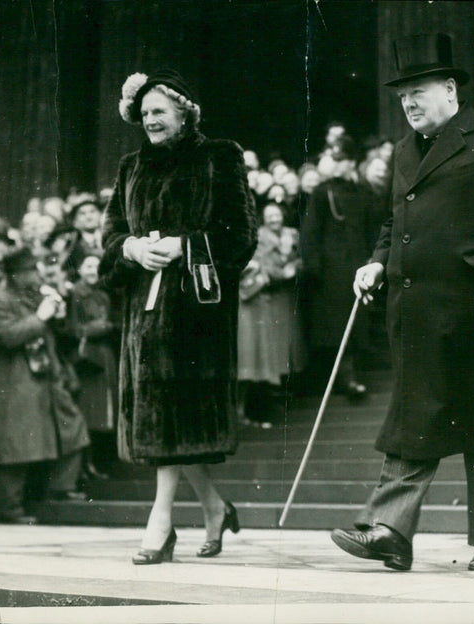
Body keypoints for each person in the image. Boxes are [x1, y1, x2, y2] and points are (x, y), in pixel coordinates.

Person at [331, 33, 474, 572]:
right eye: (402, 96)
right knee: (413, 418)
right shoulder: (404, 150)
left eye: (418, 92)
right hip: (418, 311)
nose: (408, 104)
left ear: (450, 89)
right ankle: (391, 531)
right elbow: (395, 222)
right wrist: (376, 261)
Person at [99, 69, 257, 564]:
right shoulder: (130, 167)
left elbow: (240, 236)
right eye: (144, 113)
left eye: (159, 112)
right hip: (143, 313)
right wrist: (130, 249)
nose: (150, 120)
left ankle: (161, 523)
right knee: (169, 422)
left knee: (171, 416)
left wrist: (184, 246)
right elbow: (110, 234)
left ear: (184, 113)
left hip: (196, 312)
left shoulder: (220, 156)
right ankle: (215, 508)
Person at [0, 247, 90, 523]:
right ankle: (8, 507)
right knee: (14, 446)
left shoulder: (34, 293)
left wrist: (59, 313)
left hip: (46, 377)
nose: (36, 276)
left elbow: (60, 332)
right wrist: (41, 317)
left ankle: (61, 487)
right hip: (13, 381)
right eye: (30, 271)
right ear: (16, 274)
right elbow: (8, 336)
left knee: (71, 427)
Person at [300, 136, 379, 398]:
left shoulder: (364, 193)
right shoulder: (322, 193)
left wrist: (373, 259)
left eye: (341, 159)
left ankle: (351, 377)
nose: (336, 164)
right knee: (332, 327)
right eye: (333, 159)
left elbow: (373, 230)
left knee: (356, 324)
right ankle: (343, 379)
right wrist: (314, 267)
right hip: (329, 272)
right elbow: (310, 234)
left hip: (357, 266)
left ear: (352, 162)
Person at [237, 202, 305, 428]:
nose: (274, 219)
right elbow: (261, 268)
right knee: (259, 359)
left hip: (281, 300)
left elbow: (301, 260)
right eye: (269, 215)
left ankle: (274, 402)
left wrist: (293, 265)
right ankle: (250, 410)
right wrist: (282, 271)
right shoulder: (258, 239)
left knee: (280, 353)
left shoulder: (292, 235)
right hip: (261, 301)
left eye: (277, 214)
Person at [69, 254, 119, 479]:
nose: (92, 270)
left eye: (96, 266)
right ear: (79, 269)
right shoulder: (75, 295)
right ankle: (84, 465)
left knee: (100, 411)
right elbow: (72, 329)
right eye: (88, 265)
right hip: (86, 358)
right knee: (87, 410)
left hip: (103, 357)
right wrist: (98, 328)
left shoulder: (102, 295)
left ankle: (94, 463)